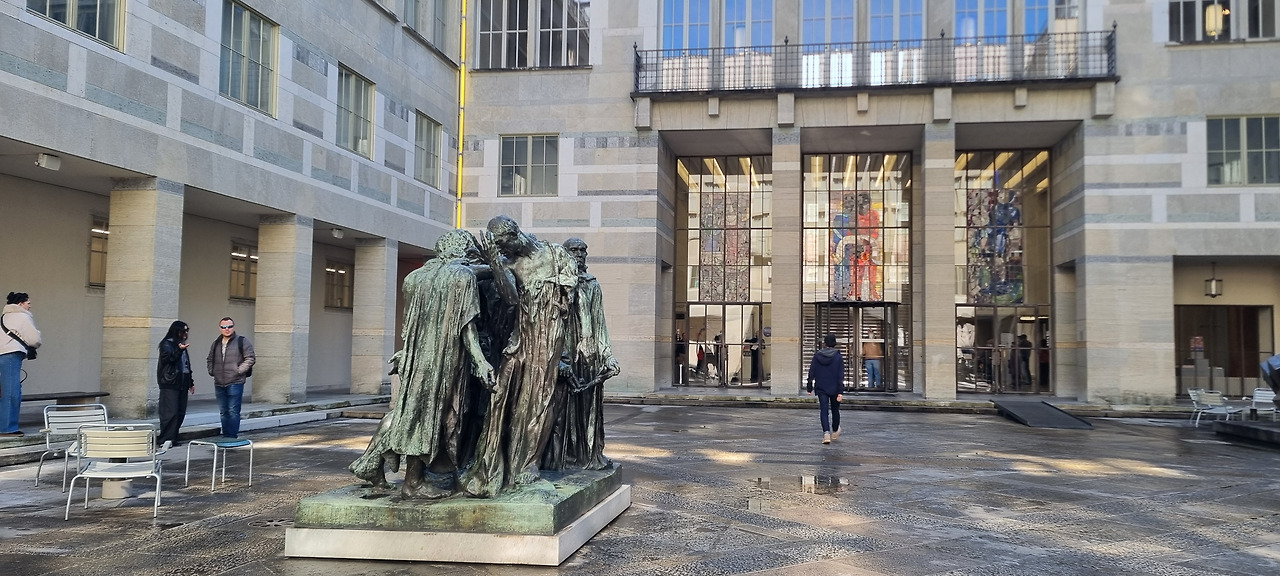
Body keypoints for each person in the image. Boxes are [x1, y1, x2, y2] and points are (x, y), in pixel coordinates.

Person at [350, 230, 496, 498]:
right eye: (469, 253)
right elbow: (467, 328)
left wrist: (405, 352)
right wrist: (480, 361)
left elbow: (409, 324)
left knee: (410, 412)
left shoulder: (414, 277)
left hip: (417, 355)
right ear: (462, 252)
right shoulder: (461, 277)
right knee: (431, 415)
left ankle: (371, 463)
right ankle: (413, 482)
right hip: (444, 358)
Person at [460, 216, 578, 495]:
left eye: (503, 244)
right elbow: (511, 298)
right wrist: (493, 264)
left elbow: (570, 307)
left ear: (514, 234)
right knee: (501, 394)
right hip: (521, 338)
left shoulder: (556, 254)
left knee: (539, 401)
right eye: (498, 248)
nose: (503, 251)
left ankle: (527, 465)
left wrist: (565, 353)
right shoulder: (507, 264)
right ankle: (492, 464)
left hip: (549, 338)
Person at [544, 237, 620, 471]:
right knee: (561, 410)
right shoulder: (556, 285)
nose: (579, 254)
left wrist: (607, 355)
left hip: (588, 357)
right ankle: (561, 458)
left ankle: (587, 455)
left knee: (587, 409)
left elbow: (599, 323)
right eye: (574, 250)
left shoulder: (592, 284)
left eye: (583, 250)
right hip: (563, 353)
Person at [207, 317, 254, 438]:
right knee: (223, 411)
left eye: (229, 326)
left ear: (233, 327)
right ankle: (226, 436)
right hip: (219, 382)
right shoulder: (216, 343)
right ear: (220, 328)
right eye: (224, 327)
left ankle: (232, 437)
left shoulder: (242, 341)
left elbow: (250, 358)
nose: (227, 329)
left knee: (233, 411)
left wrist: (238, 371)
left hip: (235, 381)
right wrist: (212, 371)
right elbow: (210, 359)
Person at [1, 292, 41, 436]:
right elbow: (34, 339)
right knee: (12, 392)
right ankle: (8, 428)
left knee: (4, 390)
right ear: (20, 304)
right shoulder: (22, 316)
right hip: (11, 354)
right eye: (28, 303)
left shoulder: (4, 317)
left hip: (2, 353)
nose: (30, 305)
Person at [156, 321, 194, 450]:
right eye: (183, 331)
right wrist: (179, 350)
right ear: (176, 331)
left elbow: (186, 365)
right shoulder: (167, 343)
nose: (186, 334)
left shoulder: (181, 344)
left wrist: (191, 382)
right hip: (170, 381)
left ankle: (173, 437)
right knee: (170, 412)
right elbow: (169, 359)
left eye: (187, 331)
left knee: (180, 412)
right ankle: (165, 439)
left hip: (182, 381)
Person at [806, 333, 844, 444]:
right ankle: (835, 430)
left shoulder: (817, 356)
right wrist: (840, 391)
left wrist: (809, 387)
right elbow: (840, 375)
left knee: (824, 410)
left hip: (821, 387)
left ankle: (826, 433)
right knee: (835, 410)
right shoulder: (838, 357)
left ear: (825, 343)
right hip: (835, 388)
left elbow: (812, 371)